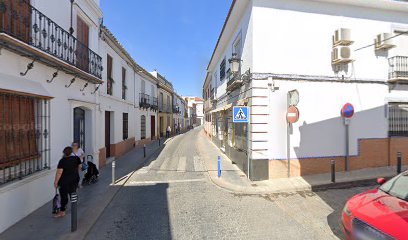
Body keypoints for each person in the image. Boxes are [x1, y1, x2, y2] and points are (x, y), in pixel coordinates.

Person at [53, 146, 82, 218]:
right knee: (73, 192)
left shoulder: (62, 161)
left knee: (64, 196)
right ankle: (74, 207)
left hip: (64, 181)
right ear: (71, 152)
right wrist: (76, 173)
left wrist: (56, 182)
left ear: (64, 153)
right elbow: (80, 166)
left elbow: (59, 172)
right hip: (75, 179)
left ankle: (62, 212)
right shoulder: (76, 158)